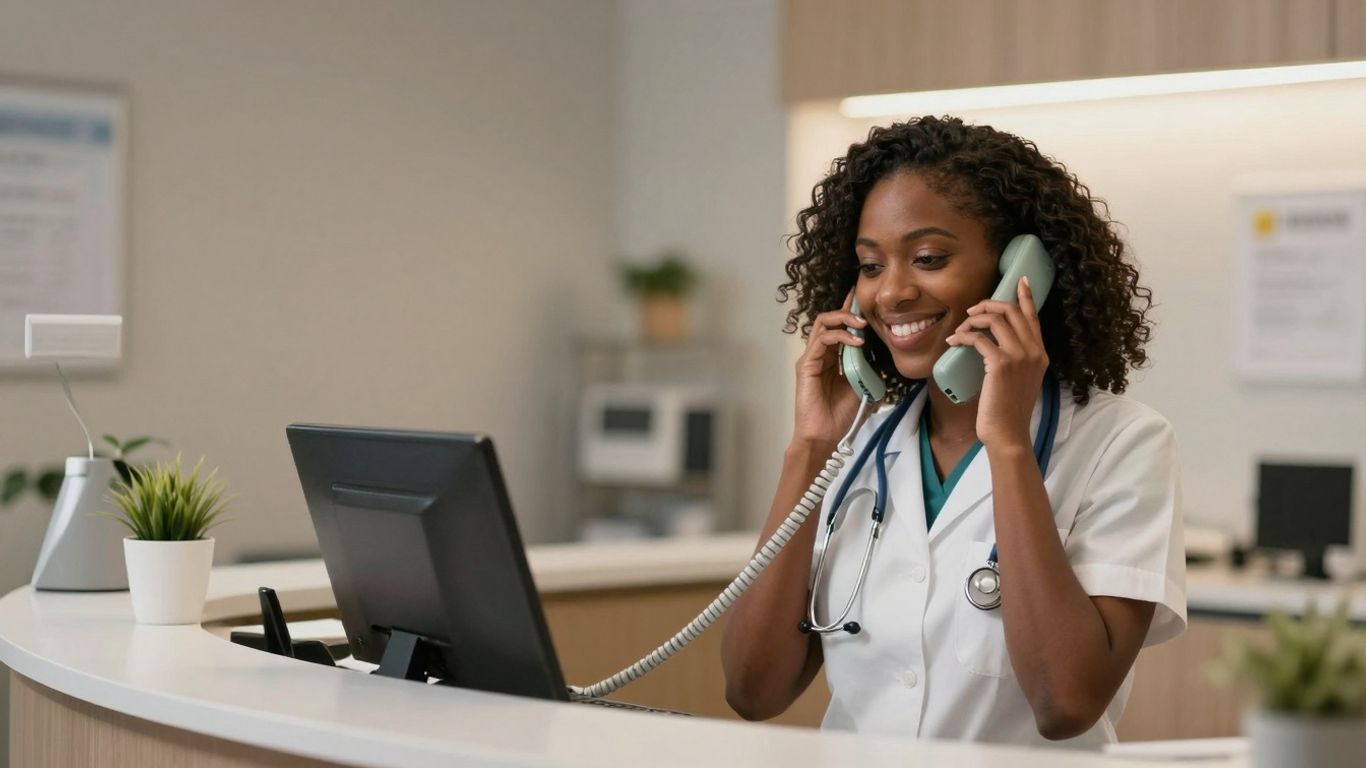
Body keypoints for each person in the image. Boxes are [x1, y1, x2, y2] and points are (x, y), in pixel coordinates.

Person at [720, 116, 1186, 749]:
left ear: (1020, 273)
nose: (893, 293)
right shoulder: (856, 449)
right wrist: (809, 449)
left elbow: (1066, 701)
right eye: (870, 265)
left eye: (929, 258)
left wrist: (1009, 446)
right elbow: (754, 691)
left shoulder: (1123, 443)